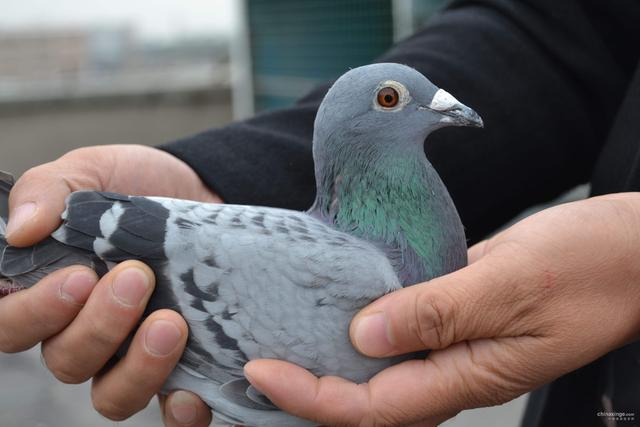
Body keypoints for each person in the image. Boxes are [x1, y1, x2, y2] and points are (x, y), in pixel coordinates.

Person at [1, 0, 640, 425]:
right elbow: (565, 31)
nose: (446, 105)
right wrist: (218, 174)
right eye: (395, 98)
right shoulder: (357, 281)